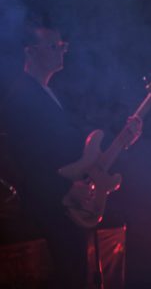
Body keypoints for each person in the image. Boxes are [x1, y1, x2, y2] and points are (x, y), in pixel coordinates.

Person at [0, 25, 141, 288]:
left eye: (63, 46)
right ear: (30, 52)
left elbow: (77, 151)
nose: (62, 51)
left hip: (65, 201)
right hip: (49, 205)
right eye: (54, 46)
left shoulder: (51, 93)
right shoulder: (21, 97)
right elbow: (27, 160)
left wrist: (124, 140)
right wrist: (65, 187)